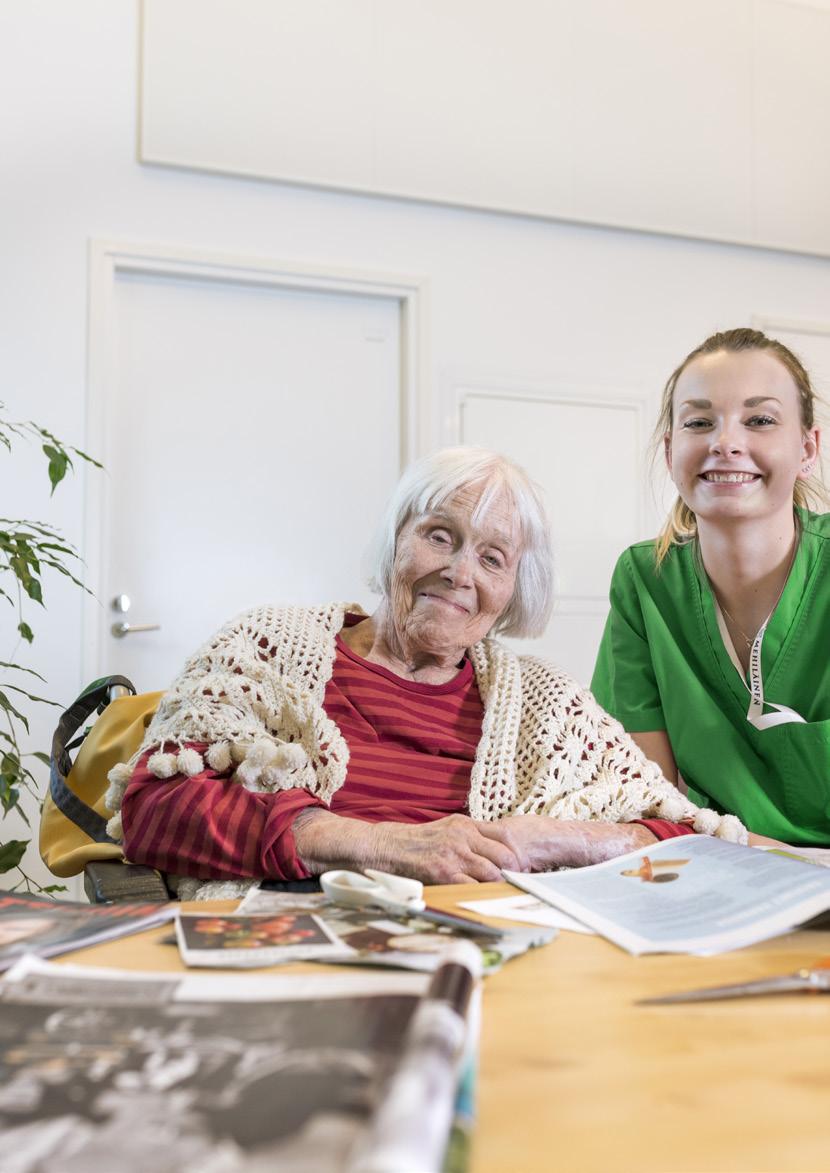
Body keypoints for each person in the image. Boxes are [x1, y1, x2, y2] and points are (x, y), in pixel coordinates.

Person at [106, 447, 744, 894]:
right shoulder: (268, 646)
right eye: (440, 536)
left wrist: (543, 840)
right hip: (294, 943)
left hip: (494, 962)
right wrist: (373, 843)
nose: (461, 573)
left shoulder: (544, 702)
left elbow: (676, 827)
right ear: (394, 540)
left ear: (514, 591)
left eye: (493, 558)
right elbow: (155, 808)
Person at [592, 328, 829, 845]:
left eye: (760, 420)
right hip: (718, 879)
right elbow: (647, 800)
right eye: (700, 422)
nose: (725, 443)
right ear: (673, 449)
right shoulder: (643, 585)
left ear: (808, 448)